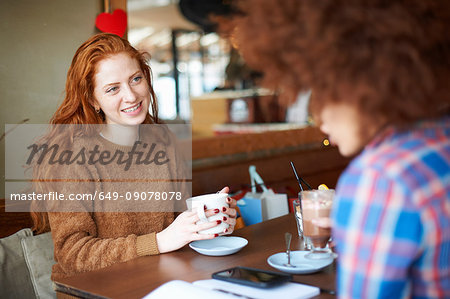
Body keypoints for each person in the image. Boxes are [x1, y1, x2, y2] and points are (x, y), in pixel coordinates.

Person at [226, 0, 449, 298]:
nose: (318, 118)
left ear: (361, 83)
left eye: (322, 92)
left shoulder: (379, 179)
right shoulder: (439, 138)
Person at [29, 33, 237, 280]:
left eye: (135, 79)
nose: (130, 96)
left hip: (163, 280)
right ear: (93, 99)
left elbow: (178, 224)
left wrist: (210, 220)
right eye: (113, 88)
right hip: (97, 291)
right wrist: (158, 242)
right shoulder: (69, 157)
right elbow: (73, 255)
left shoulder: (162, 141)